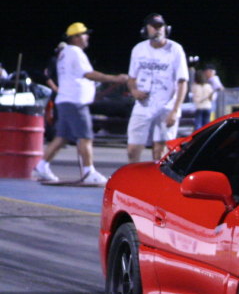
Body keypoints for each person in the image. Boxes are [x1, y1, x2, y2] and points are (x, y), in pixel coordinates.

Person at [33, 23, 128, 184]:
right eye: (84, 34)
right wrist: (115, 78)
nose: (87, 37)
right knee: (85, 137)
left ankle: (42, 166)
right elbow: (89, 74)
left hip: (66, 100)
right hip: (74, 102)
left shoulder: (65, 53)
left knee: (62, 137)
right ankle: (88, 172)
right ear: (75, 37)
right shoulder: (76, 53)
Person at [126, 13, 189, 163]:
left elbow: (182, 82)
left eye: (160, 26)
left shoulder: (175, 49)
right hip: (143, 106)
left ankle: (157, 182)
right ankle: (135, 181)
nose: (158, 30)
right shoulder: (138, 49)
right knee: (132, 149)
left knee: (161, 151)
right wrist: (134, 90)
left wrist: (175, 110)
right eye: (153, 27)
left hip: (166, 106)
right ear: (146, 29)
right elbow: (131, 78)